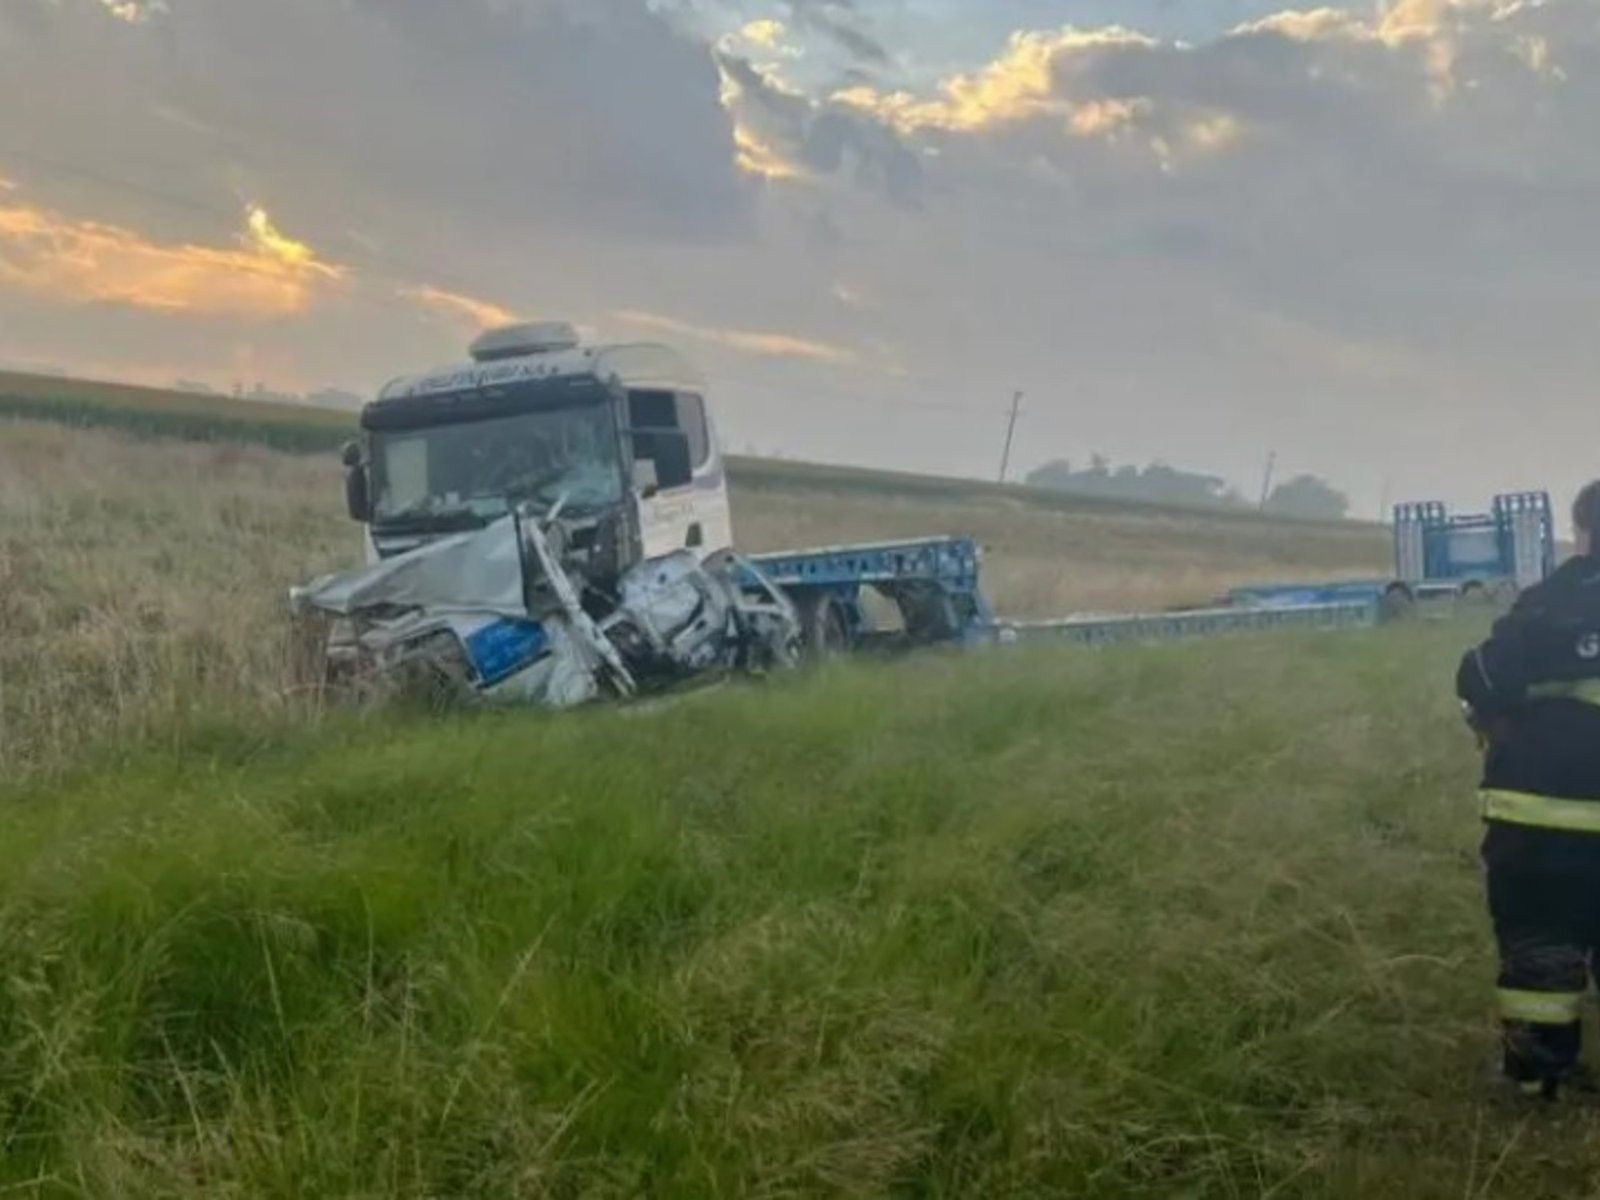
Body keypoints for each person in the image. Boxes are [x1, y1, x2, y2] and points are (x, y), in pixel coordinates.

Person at [1457, 480, 1600, 1101]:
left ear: (1582, 532)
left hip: (1536, 824)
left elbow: (1478, 678)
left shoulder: (1544, 604)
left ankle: (1541, 1076)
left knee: (1539, 951)